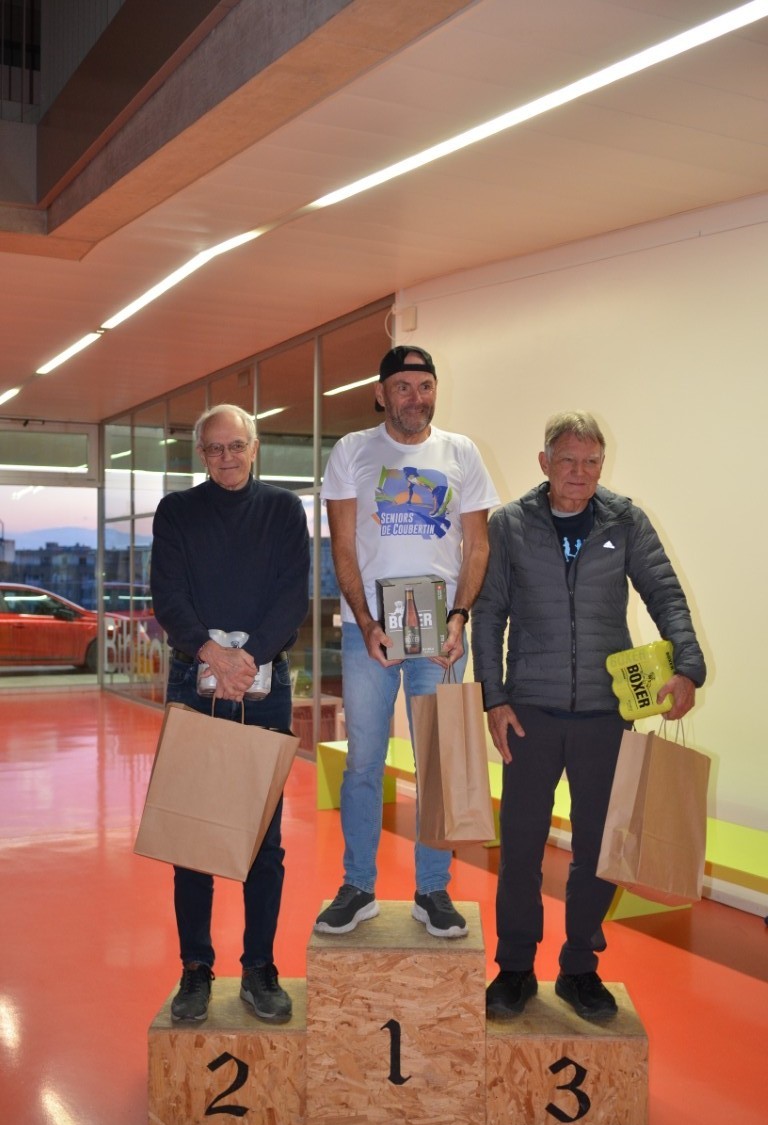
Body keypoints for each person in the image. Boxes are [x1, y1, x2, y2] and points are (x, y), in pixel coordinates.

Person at [472, 411, 706, 1021]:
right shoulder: (510, 524)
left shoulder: (625, 521)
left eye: (592, 462)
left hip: (606, 713)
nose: (580, 473)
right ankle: (515, 968)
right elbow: (489, 614)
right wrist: (493, 698)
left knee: (599, 848)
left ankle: (579, 968)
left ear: (603, 465)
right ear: (545, 462)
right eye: (568, 461)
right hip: (530, 711)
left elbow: (665, 595)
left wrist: (688, 667)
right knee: (521, 846)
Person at [314, 345, 499, 938]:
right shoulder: (352, 451)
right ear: (381, 393)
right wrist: (366, 621)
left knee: (438, 765)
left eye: (425, 386)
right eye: (402, 387)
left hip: (440, 631)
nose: (415, 398)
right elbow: (343, 546)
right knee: (363, 763)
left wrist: (460, 617)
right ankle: (358, 887)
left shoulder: (461, 452)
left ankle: (433, 890)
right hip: (367, 633)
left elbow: (478, 545)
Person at [150, 403, 310, 1023]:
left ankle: (259, 967)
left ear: (254, 446)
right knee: (192, 833)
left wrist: (249, 659)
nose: (226, 458)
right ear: (201, 454)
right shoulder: (177, 512)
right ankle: (195, 968)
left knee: (263, 838)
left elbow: (292, 595)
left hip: (266, 685)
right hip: (194, 680)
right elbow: (168, 596)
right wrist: (213, 653)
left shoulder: (284, 510)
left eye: (236, 446)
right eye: (214, 449)